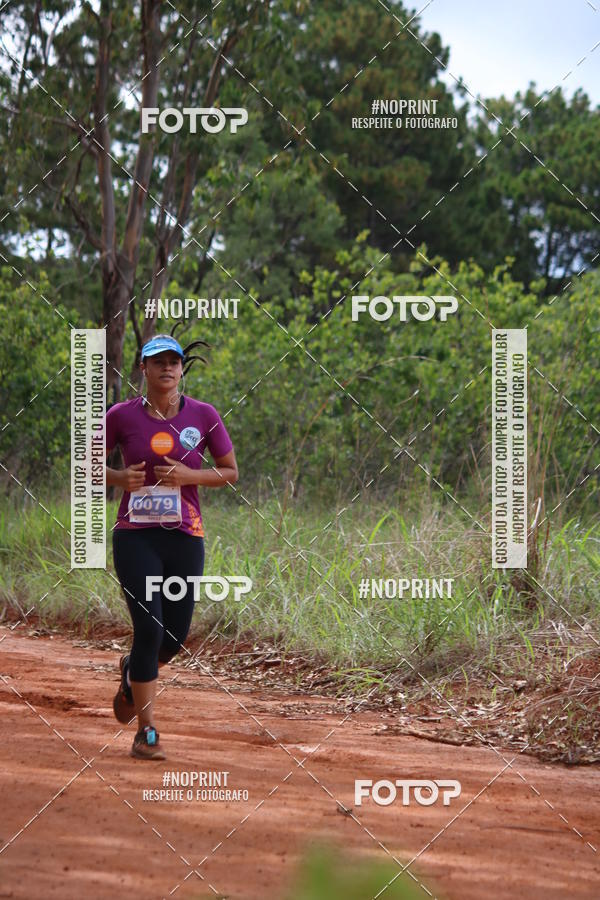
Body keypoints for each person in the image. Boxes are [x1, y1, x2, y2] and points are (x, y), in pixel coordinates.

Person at [105, 333, 238, 759]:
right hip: (135, 536)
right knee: (149, 628)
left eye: (174, 361)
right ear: (142, 369)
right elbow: (85, 463)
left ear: (183, 368)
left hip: (184, 537)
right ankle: (147, 734)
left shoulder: (204, 414)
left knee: (174, 637)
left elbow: (230, 471)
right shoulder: (120, 415)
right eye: (156, 361)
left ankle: (132, 676)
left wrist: (189, 477)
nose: (166, 367)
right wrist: (119, 479)